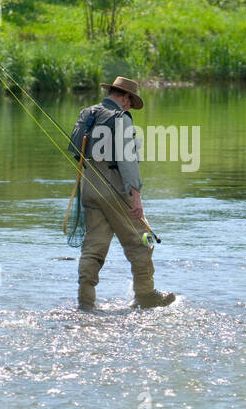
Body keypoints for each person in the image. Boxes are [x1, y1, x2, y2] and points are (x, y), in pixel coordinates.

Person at [68, 77, 175, 310]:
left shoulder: (86, 113)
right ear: (125, 97)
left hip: (89, 185)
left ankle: (85, 301)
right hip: (115, 188)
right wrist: (136, 197)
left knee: (93, 248)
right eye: (129, 102)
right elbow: (128, 161)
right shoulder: (121, 119)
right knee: (141, 242)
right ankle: (146, 296)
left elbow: (76, 150)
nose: (128, 107)